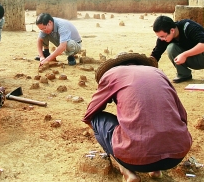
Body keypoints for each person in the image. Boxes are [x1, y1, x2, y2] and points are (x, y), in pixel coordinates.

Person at [82, 52, 192, 182]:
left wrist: (113, 141)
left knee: (96, 118)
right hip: (176, 156)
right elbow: (182, 116)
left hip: (135, 160)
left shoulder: (112, 74)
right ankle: (155, 170)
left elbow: (90, 114)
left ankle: (127, 172)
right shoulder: (158, 73)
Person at [151, 15, 204, 85]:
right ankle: (183, 74)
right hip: (190, 61)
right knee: (171, 47)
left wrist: (184, 55)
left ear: (172, 30)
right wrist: (144, 67)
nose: (161, 39)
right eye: (159, 37)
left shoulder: (188, 27)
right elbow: (155, 55)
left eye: (162, 36)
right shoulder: (163, 38)